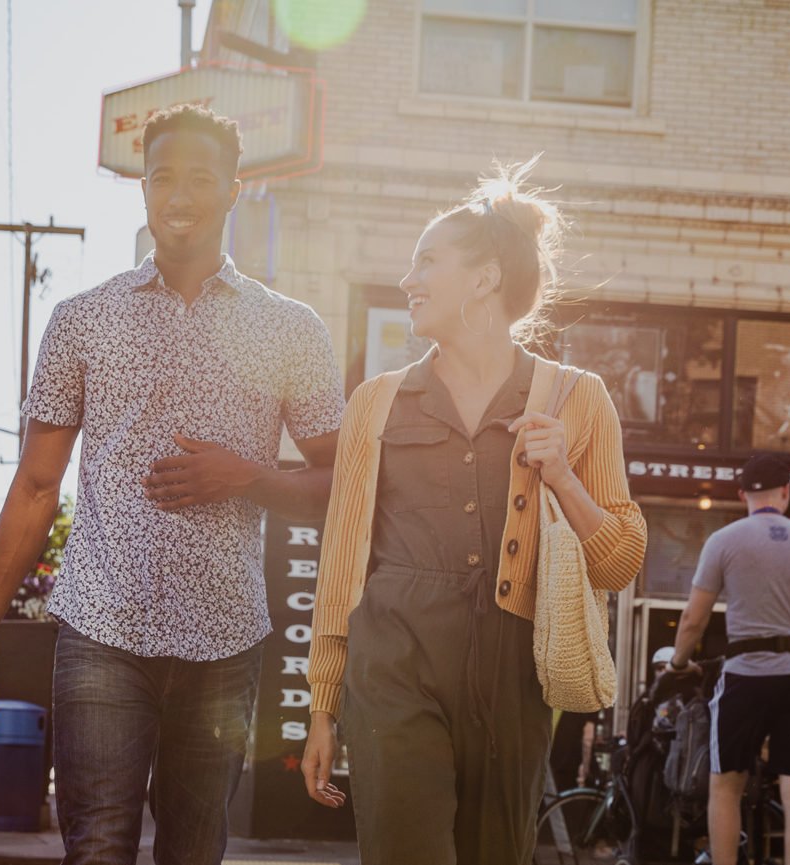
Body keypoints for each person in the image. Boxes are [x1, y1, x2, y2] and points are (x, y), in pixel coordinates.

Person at [0, 105, 346, 865]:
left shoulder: (292, 328)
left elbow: (341, 483)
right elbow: (36, 486)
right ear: (142, 188)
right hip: (101, 631)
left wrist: (249, 477)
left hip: (226, 639)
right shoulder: (83, 320)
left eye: (201, 177)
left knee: (194, 853)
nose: (179, 194)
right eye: (163, 175)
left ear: (236, 189)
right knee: (97, 848)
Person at [298, 161, 649, 865]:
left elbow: (621, 560)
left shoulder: (576, 397)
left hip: (512, 672)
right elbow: (343, 563)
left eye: (426, 261)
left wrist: (564, 481)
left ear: (485, 278)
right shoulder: (378, 400)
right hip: (393, 658)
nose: (408, 281)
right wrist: (322, 706)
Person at [667, 454, 790, 865]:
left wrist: (677, 663)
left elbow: (694, 619)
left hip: (749, 676)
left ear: (742, 493)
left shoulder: (724, 540)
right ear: (787, 492)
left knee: (726, 785)